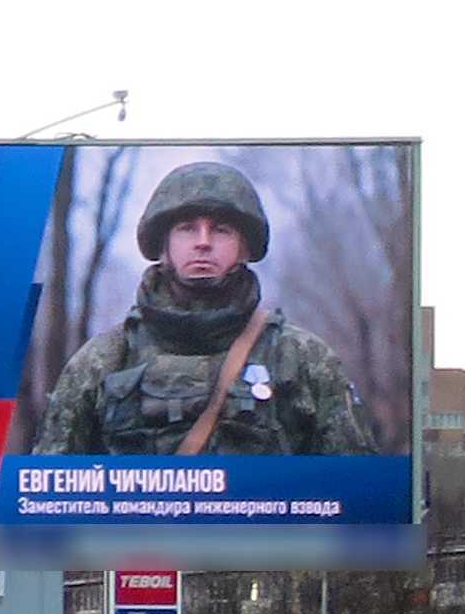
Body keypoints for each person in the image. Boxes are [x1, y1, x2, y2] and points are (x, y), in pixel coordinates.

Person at [33, 160, 379, 456]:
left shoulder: (300, 358)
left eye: (221, 230)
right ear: (163, 247)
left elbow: (357, 493)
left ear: (244, 248)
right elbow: (46, 495)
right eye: (186, 229)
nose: (203, 242)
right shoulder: (103, 360)